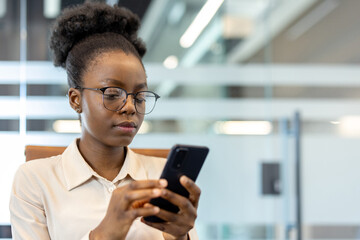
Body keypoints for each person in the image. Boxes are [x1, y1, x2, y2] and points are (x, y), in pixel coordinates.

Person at [9, 3, 200, 240]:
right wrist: (104, 234)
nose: (130, 107)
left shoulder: (160, 175)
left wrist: (182, 236)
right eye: (112, 94)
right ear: (75, 99)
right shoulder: (35, 179)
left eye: (139, 97)